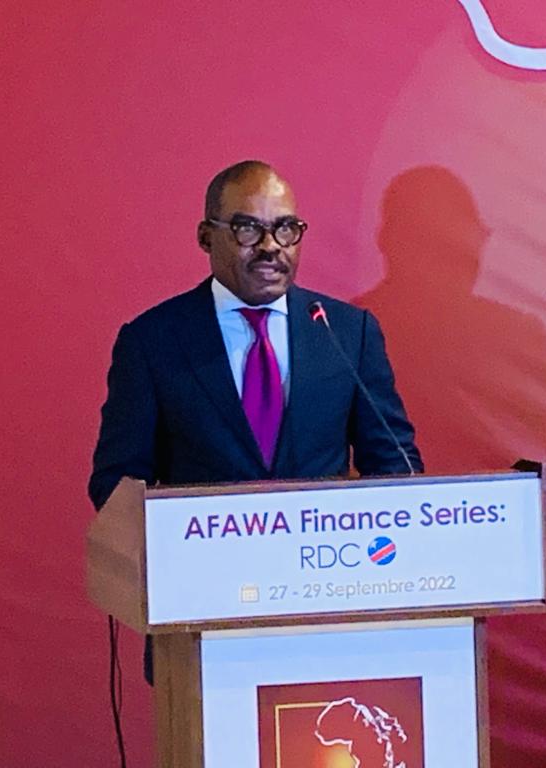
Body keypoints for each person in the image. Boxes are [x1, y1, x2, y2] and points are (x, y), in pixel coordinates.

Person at [87, 160, 423, 679]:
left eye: (286, 228)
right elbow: (116, 483)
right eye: (248, 228)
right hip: (200, 625)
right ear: (206, 236)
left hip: (328, 622)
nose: (271, 246)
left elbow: (396, 466)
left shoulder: (345, 331)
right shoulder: (153, 341)